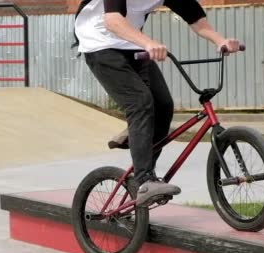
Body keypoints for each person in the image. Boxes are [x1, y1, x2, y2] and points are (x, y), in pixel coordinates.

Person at [73, 0, 241, 206]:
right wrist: (148, 42)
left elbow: (195, 17)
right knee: (140, 102)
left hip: (132, 42)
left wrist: (219, 40)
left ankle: (142, 163)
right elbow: (113, 20)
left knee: (163, 106)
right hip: (99, 42)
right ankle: (144, 181)